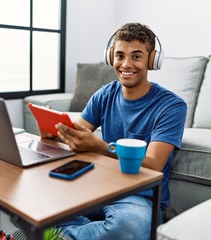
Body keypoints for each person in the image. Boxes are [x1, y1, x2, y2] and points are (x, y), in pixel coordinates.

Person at [39, 23, 187, 240]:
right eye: (120, 55)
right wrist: (56, 133)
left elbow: (154, 162)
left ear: (152, 60)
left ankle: (57, 234)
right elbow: (79, 133)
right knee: (30, 201)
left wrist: (101, 146)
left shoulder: (172, 106)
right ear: (111, 57)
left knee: (133, 227)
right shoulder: (105, 93)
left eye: (136, 56)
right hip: (99, 185)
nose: (126, 64)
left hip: (139, 197)